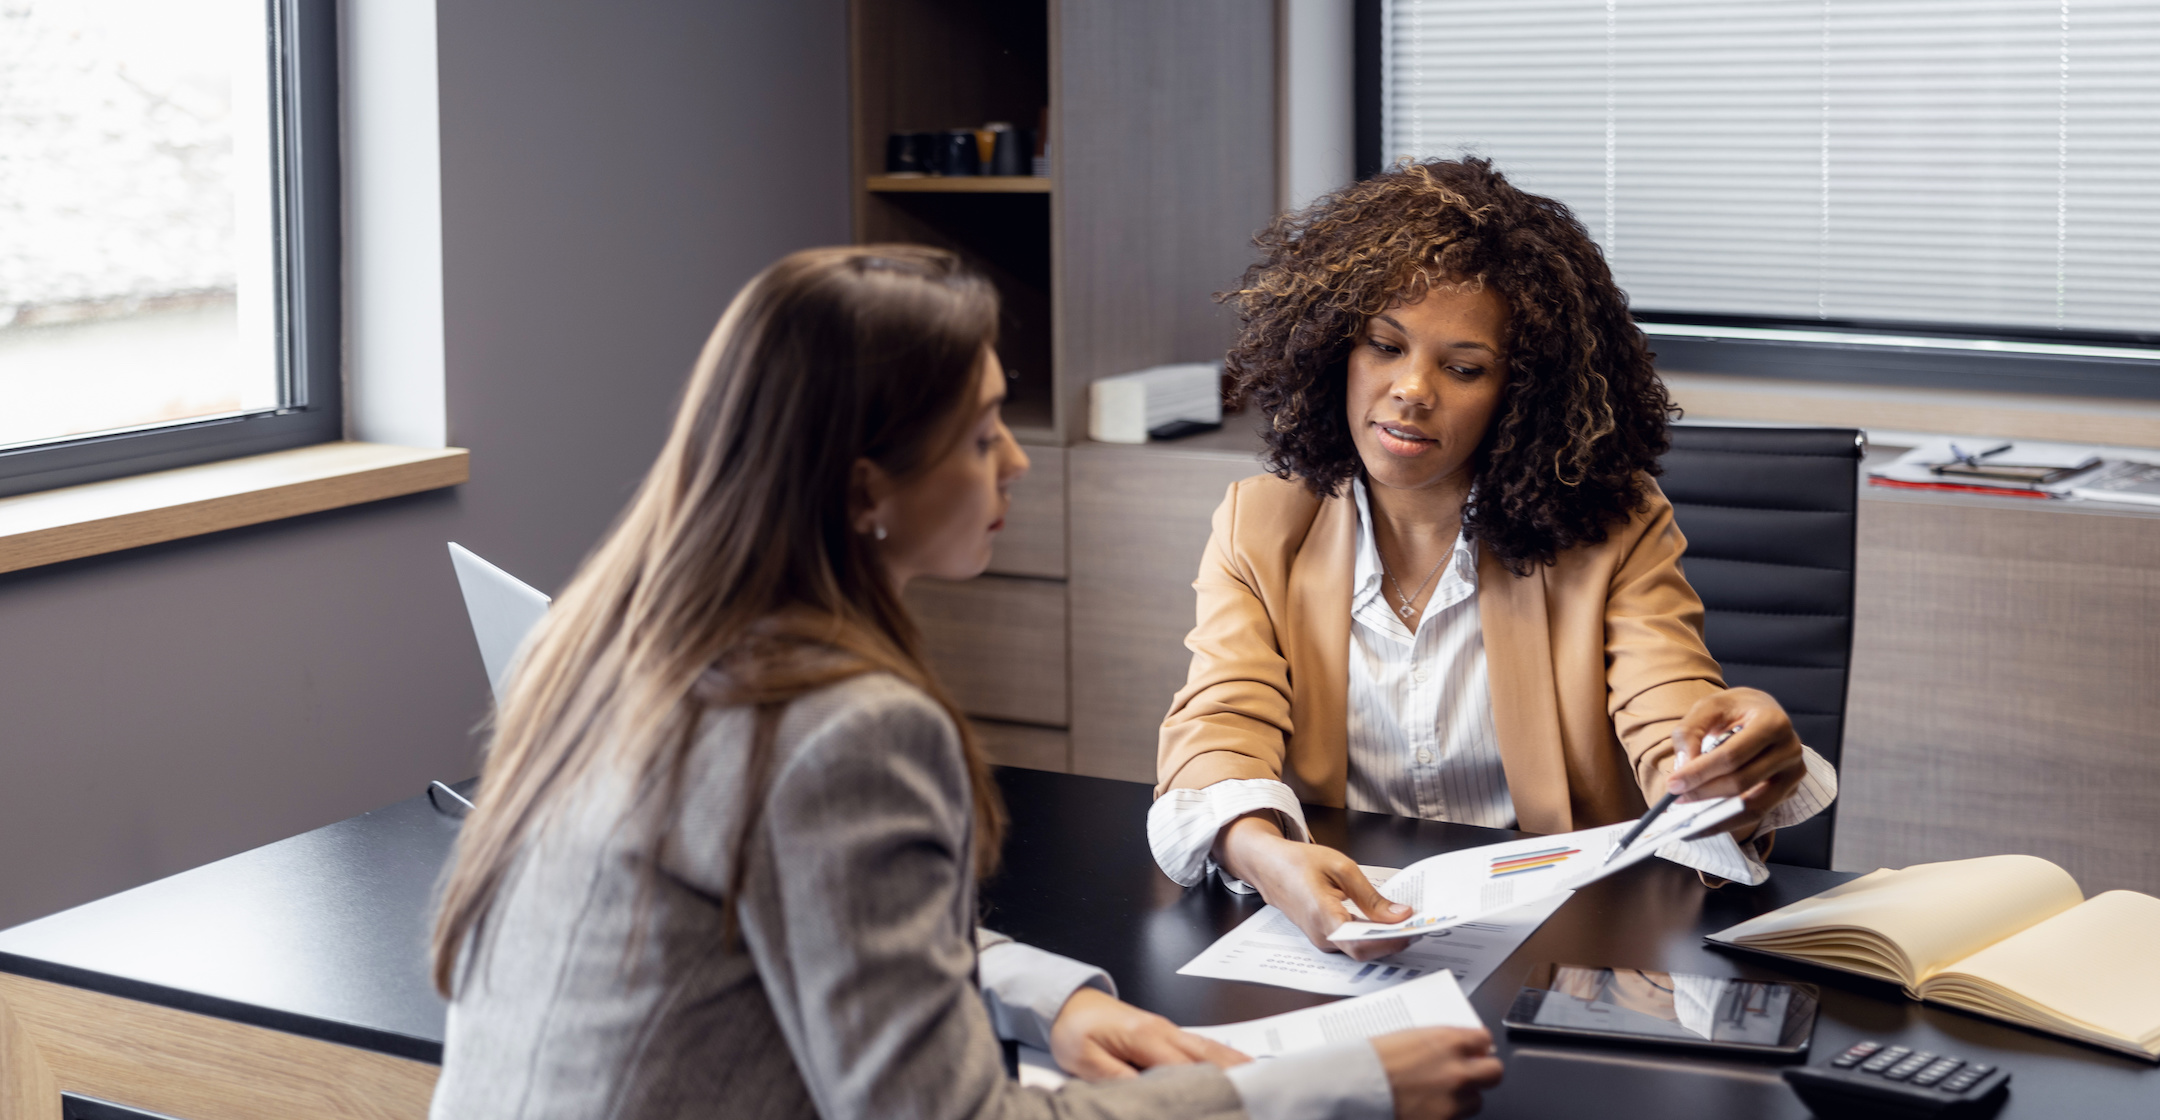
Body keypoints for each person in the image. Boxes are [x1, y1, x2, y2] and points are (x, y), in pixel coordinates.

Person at [426, 245, 1502, 1120]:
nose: (1017, 462)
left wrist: (1055, 994)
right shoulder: (845, 731)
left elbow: (818, 919)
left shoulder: (610, 638)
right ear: (865, 492)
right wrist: (1332, 1084)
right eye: (983, 435)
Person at [1149, 158, 1839, 961]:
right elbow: (1218, 725)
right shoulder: (1261, 526)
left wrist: (1726, 770)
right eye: (1384, 345)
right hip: (1341, 944)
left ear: (1522, 392)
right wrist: (1262, 853)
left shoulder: (1614, 531)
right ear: (1335, 348)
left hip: (1564, 947)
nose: (1411, 389)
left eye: (1464, 367)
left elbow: (1669, 715)